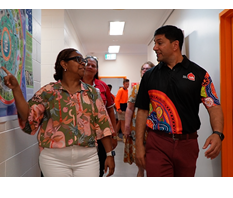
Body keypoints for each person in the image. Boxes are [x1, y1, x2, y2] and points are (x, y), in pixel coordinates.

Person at [1, 48, 115, 177]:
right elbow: (29, 116)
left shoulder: (92, 93)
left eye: (83, 60)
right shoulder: (49, 92)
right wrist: (16, 89)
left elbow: (103, 124)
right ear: (64, 64)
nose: (83, 63)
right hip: (54, 160)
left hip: (87, 159)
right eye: (78, 60)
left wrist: (109, 154)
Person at [135, 25, 224, 177]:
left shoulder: (199, 74)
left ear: (175, 44)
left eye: (159, 42)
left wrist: (218, 133)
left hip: (187, 143)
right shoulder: (149, 76)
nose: (155, 47)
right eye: (155, 43)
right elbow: (142, 111)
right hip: (157, 142)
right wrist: (139, 146)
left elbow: (213, 105)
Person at [82, 56, 117, 177]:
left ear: (97, 70)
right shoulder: (75, 84)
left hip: (102, 133)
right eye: (87, 64)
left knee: (100, 165)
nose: (90, 67)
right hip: (82, 133)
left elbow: (110, 111)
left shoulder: (102, 86)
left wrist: (114, 134)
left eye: (93, 65)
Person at [124, 61, 155, 177]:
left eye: (148, 69)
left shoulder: (157, 86)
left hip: (153, 125)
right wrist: (126, 126)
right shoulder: (136, 87)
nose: (145, 71)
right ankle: (141, 171)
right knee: (140, 152)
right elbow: (130, 108)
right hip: (137, 124)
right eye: (143, 69)